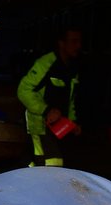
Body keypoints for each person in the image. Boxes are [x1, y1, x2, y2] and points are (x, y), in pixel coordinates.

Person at [17, 28, 82, 167]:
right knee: (52, 164)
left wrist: (72, 122)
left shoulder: (72, 68)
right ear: (62, 43)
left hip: (59, 128)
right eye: (74, 41)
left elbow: (70, 99)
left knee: (35, 164)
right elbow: (23, 90)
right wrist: (46, 110)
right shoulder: (45, 64)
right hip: (39, 126)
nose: (78, 46)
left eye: (79, 41)